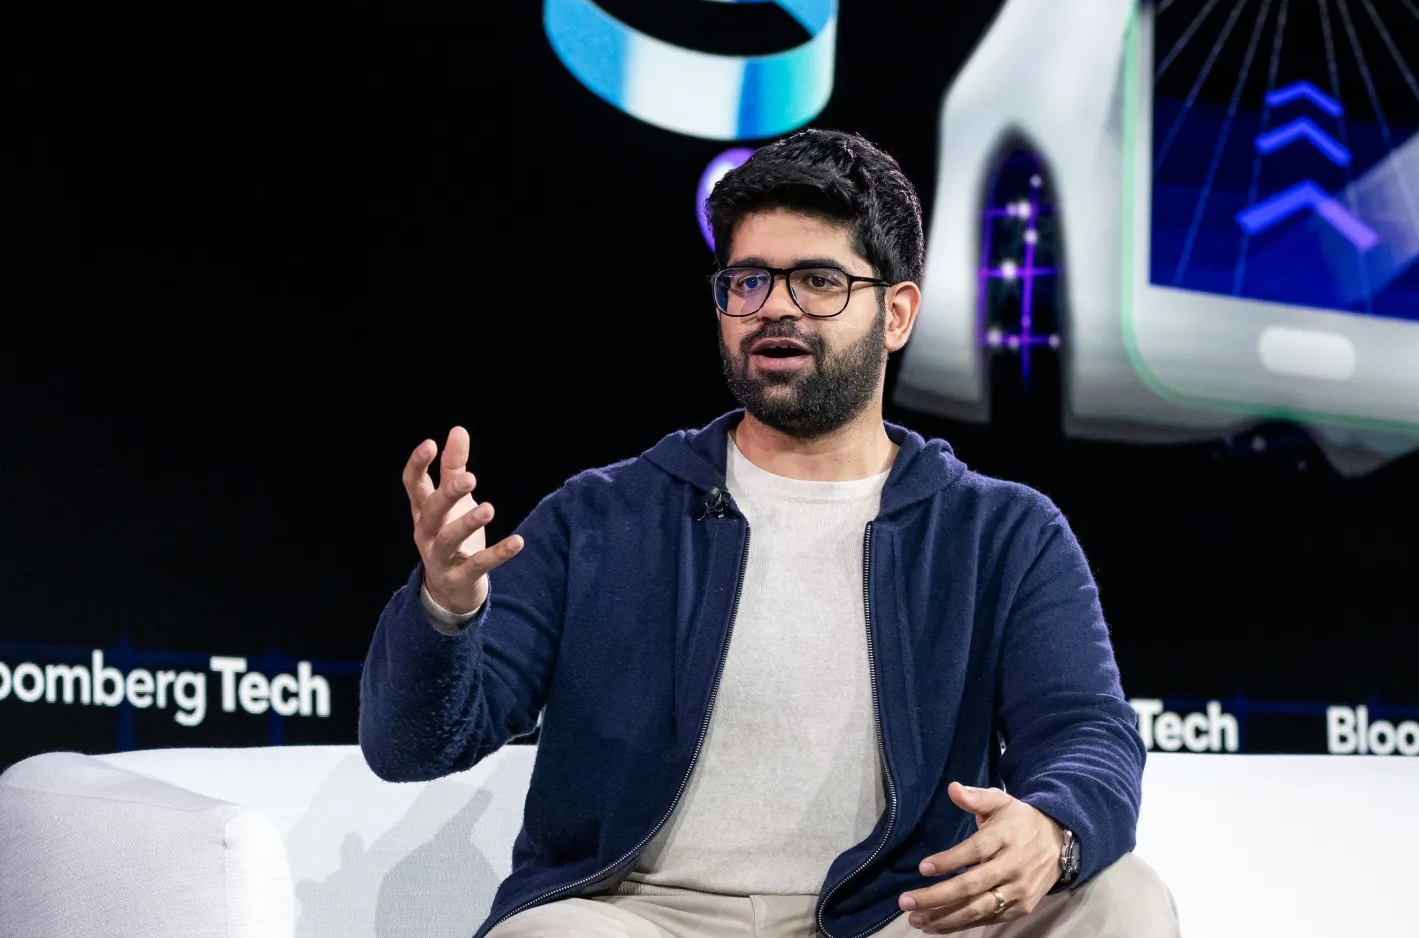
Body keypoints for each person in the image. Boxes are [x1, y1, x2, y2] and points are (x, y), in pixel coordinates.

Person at [360, 130, 1179, 938]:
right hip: (640, 915)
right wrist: (445, 611)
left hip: (899, 916)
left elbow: (1086, 731)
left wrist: (1053, 828)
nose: (776, 306)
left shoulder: (1000, 532)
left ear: (896, 313)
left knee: (1118, 896)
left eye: (819, 280)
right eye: (748, 281)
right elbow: (411, 747)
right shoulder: (601, 517)